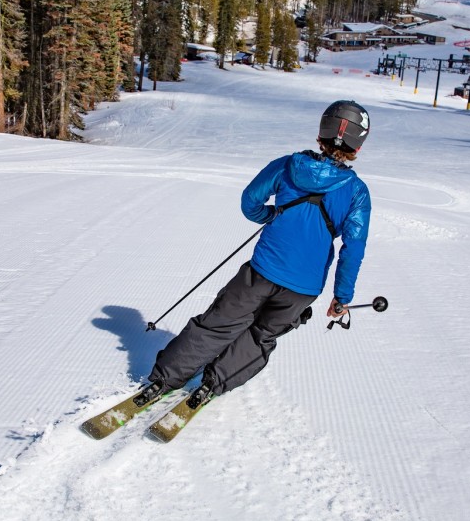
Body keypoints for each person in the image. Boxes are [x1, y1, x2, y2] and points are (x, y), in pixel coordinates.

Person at [138, 100, 373, 411]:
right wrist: (341, 297)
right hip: (303, 289)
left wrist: (270, 215)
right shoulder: (357, 191)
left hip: (260, 272)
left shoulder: (289, 165)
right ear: (357, 146)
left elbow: (250, 201)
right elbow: (353, 248)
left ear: (321, 134)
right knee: (261, 336)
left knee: (218, 323)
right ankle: (214, 383)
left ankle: (165, 379)